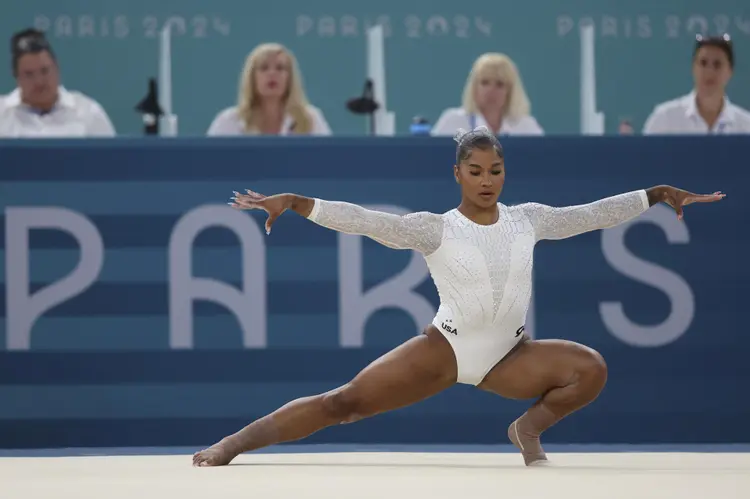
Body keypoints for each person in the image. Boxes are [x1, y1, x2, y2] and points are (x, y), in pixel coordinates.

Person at [193, 126, 724, 468]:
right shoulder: (435, 229)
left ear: (503, 173)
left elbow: (589, 215)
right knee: (343, 404)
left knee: (591, 368)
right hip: (444, 350)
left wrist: (653, 195)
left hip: (511, 357)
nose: (486, 180)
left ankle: (526, 429)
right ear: (458, 174)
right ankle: (232, 445)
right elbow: (366, 221)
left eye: (495, 171)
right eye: (475, 171)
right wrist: (298, 202)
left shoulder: (528, 220)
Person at [0, 28, 115, 138]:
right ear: (17, 77)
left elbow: (111, 157)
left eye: (45, 71)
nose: (39, 82)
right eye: (29, 75)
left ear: (57, 68)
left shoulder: (88, 113)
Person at [207, 42, 331, 136]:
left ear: (290, 77)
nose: (272, 74)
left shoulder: (311, 118)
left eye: (280, 68)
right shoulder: (229, 121)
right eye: (264, 68)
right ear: (252, 77)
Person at [643, 34, 750, 134]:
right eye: (703, 63)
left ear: (730, 72)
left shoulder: (746, 126)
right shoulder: (664, 119)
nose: (709, 71)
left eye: (717, 65)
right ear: (693, 68)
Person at [431, 52, 544, 136]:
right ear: (474, 87)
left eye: (499, 84)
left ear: (510, 91)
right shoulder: (453, 121)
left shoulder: (526, 126)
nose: (491, 90)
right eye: (484, 83)